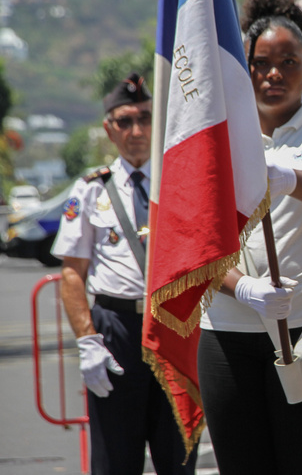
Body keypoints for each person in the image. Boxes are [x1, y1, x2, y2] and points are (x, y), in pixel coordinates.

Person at [196, 0, 302, 474]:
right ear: (242, 69)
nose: (275, 74)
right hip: (228, 332)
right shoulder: (214, 138)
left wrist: (287, 177)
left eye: (289, 62)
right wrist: (242, 287)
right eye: (262, 63)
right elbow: (195, 241)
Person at [51, 73, 197, 474]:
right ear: (108, 129)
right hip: (115, 329)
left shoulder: (179, 183)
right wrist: (87, 341)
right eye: (125, 121)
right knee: (115, 460)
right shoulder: (91, 190)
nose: (137, 130)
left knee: (178, 456)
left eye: (146, 118)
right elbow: (72, 273)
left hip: (172, 326)